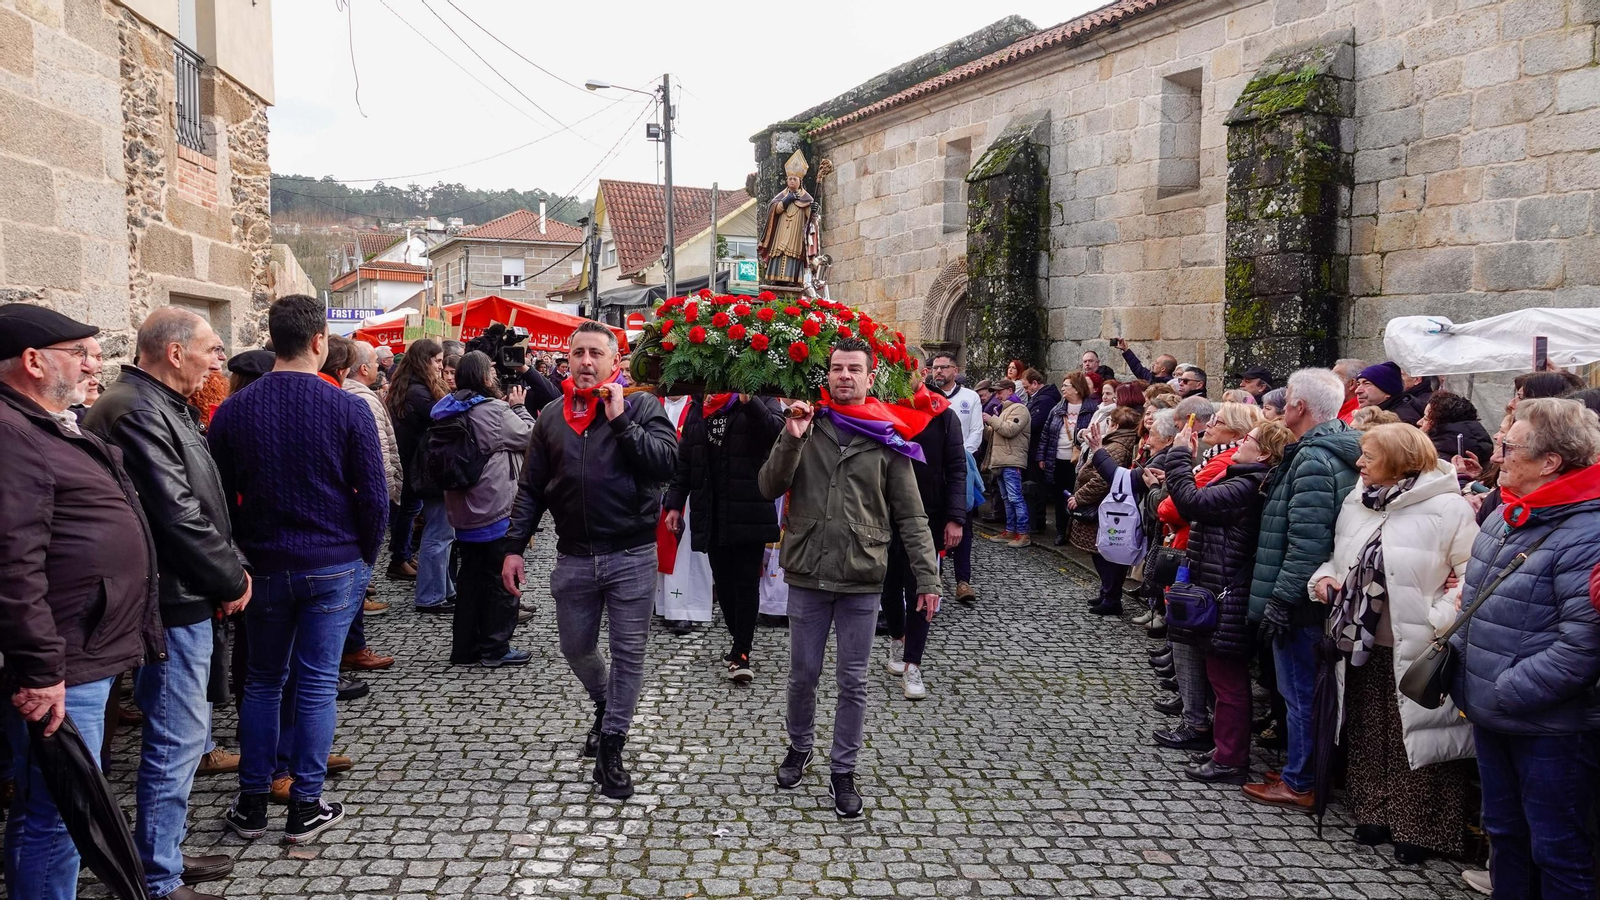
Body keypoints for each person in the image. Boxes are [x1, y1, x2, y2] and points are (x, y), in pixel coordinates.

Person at [209, 294, 389, 844]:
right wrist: (366, 558)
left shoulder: (234, 409)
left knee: (263, 682)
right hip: (333, 562)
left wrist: (240, 550)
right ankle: (304, 803)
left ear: (272, 340)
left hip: (264, 564)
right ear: (318, 342)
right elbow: (375, 496)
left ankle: (252, 804)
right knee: (314, 684)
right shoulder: (347, 407)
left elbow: (218, 495)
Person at [83, 309, 248, 900]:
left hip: (175, 592)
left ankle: (161, 855)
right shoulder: (137, 410)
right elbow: (177, 515)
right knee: (178, 736)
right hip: (173, 599)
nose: (217, 358)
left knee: (176, 732)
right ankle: (158, 874)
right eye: (210, 347)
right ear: (175, 353)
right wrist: (231, 578)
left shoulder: (153, 404)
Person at [0, 304, 162, 900]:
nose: (97, 366)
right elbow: (13, 564)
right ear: (33, 361)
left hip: (84, 647)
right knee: (61, 813)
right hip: (65, 656)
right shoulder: (13, 433)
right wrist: (42, 669)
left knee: (58, 805)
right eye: (82, 353)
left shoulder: (44, 422)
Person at [759, 337, 939, 819]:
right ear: (828, 375)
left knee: (853, 681)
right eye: (837, 368)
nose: (844, 376)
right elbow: (769, 485)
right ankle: (800, 748)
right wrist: (792, 436)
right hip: (807, 571)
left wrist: (928, 579)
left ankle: (844, 770)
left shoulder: (886, 436)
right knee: (802, 676)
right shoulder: (806, 424)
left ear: (869, 376)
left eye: (853, 369)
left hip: (862, 573)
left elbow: (912, 517)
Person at [501, 321, 678, 801]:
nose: (584, 362)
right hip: (574, 556)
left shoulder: (641, 405)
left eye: (595, 354)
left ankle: (612, 746)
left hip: (631, 554)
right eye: (577, 353)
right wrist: (514, 546)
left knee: (629, 654)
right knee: (576, 649)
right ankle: (605, 704)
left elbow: (665, 464)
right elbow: (531, 488)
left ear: (614, 362)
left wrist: (621, 421)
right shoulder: (552, 416)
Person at [1450, 398, 1600, 898]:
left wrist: (1508, 688)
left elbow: (1582, 646)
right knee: (1506, 834)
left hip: (1552, 724)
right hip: (1497, 708)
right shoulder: (1512, 511)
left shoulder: (1588, 531)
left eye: (1509, 446)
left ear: (1551, 461)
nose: (1497, 456)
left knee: (1557, 849)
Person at [1310, 423, 1479, 864]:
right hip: (1361, 640)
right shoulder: (1358, 500)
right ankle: (1375, 810)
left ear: (1400, 458)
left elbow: (1470, 578)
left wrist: (1435, 620)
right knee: (1368, 728)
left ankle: (1421, 827)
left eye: (1369, 455)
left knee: (1419, 733)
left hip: (1421, 643)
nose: (1360, 463)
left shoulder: (1448, 508)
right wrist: (1325, 577)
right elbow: (1338, 555)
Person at [1242, 368, 1361, 810]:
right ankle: (1300, 768)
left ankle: (1301, 780)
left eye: (1289, 398)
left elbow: (1307, 541)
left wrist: (1281, 598)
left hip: (1301, 602)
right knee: (1301, 691)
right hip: (1305, 594)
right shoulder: (1320, 451)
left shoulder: (1314, 459)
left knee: (1301, 693)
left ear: (1299, 407)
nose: (1284, 404)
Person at [1162, 418, 1290, 784]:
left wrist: (1179, 458)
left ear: (1263, 452)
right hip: (1219, 584)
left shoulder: (1249, 485)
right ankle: (1223, 748)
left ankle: (1232, 759)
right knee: (1220, 676)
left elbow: (1191, 501)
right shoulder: (1244, 479)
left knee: (1228, 680)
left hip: (1228, 591)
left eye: (1247, 440)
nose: (1241, 444)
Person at [663, 392, 786, 681]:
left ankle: (742, 650)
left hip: (748, 508)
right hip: (711, 509)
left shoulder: (759, 400)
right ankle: (737, 638)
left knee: (745, 582)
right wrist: (674, 503)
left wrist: (750, 401)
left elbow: (775, 434)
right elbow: (686, 459)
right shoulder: (699, 407)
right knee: (724, 582)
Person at [433, 351, 535, 667]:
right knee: (502, 581)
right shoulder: (492, 411)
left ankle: (465, 649)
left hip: (462, 509)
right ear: (485, 377)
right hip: (494, 509)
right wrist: (519, 407)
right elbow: (531, 437)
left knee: (470, 582)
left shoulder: (444, 409)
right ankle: (495, 648)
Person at [880, 387, 966, 700]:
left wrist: (956, 517)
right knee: (888, 589)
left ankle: (912, 663)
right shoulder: (883, 408)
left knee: (921, 589)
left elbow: (957, 467)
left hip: (927, 517)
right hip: (884, 516)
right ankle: (897, 638)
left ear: (922, 375)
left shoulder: (943, 415)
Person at [387, 338, 454, 611]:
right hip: (421, 465)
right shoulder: (418, 392)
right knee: (434, 532)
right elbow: (442, 417)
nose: (441, 367)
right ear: (424, 361)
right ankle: (429, 593)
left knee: (426, 522)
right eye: (437, 361)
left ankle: (437, 586)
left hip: (416, 462)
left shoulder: (411, 386)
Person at [1071, 391, 1144, 615]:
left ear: (1115, 424)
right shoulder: (1118, 443)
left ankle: (1112, 597)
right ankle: (1106, 592)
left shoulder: (1116, 447)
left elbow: (1101, 480)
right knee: (1102, 551)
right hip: (1105, 506)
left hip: (1105, 507)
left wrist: (1079, 497)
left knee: (1107, 552)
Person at [927, 352, 983, 602]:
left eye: (944, 367)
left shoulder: (969, 397)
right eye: (935, 367)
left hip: (961, 465)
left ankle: (963, 581)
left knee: (962, 522)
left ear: (955, 370)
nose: (938, 371)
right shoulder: (928, 397)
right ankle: (931, 578)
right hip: (932, 469)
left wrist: (957, 455)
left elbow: (976, 431)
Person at [1037, 372, 1098, 546]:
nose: (1062, 388)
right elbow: (1046, 434)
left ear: (1077, 389)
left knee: (1077, 495)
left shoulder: (1092, 409)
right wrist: (1042, 456)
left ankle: (1076, 531)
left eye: (1066, 385)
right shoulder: (1057, 409)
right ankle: (1060, 531)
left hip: (1080, 461)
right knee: (1059, 496)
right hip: (1057, 459)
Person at [983, 379, 1032, 547]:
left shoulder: (1020, 409)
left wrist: (991, 420)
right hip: (1002, 461)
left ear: (1010, 391)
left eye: (1000, 392)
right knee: (1006, 498)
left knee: (1015, 498)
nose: (997, 396)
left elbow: (1009, 430)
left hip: (1012, 460)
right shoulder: (1003, 410)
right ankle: (1011, 530)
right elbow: (993, 435)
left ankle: (1024, 534)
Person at [1418, 390, 1493, 466]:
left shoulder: (1434, 460)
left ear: (1440, 426)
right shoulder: (1484, 448)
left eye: (1426, 419)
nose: (1419, 422)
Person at [1354, 361, 1425, 425]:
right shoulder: (1376, 414)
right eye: (1358, 384)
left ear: (1388, 391)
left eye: (1367, 383)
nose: (1357, 391)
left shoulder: (1401, 421)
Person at [1333, 358, 1366, 424]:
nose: (1329, 382)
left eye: (1334, 378)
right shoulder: (1338, 410)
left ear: (1351, 383)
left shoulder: (1357, 419)